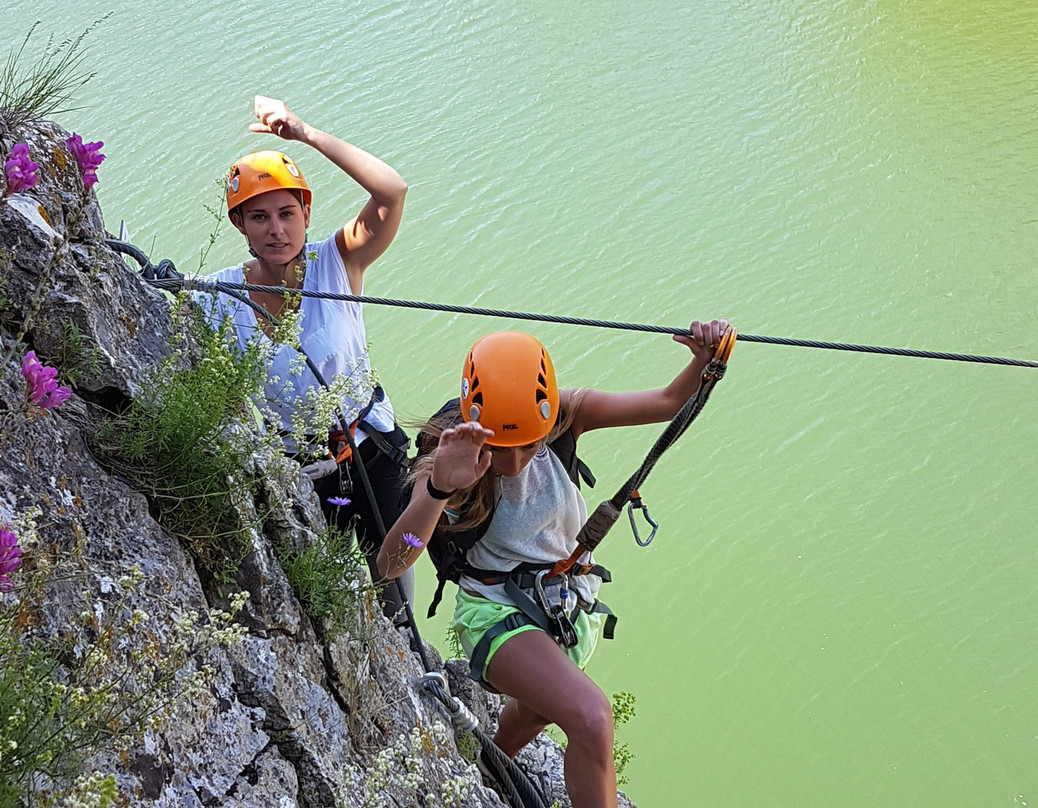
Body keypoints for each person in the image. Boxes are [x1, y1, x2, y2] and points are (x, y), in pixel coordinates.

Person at [376, 319, 731, 808]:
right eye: (505, 443)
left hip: (562, 606)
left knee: (538, 710)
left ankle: (485, 763)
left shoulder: (564, 416)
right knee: (591, 717)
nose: (519, 458)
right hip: (495, 615)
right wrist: (437, 490)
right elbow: (393, 562)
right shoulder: (450, 457)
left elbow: (669, 403)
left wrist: (704, 360)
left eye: (531, 441)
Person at [199, 95, 414, 623]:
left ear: (306, 214)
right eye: (260, 217)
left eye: (287, 213)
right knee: (323, 607)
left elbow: (392, 190)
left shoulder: (338, 262)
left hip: (372, 451)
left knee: (396, 600)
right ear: (240, 226)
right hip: (297, 473)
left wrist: (306, 134)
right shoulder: (215, 297)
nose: (276, 229)